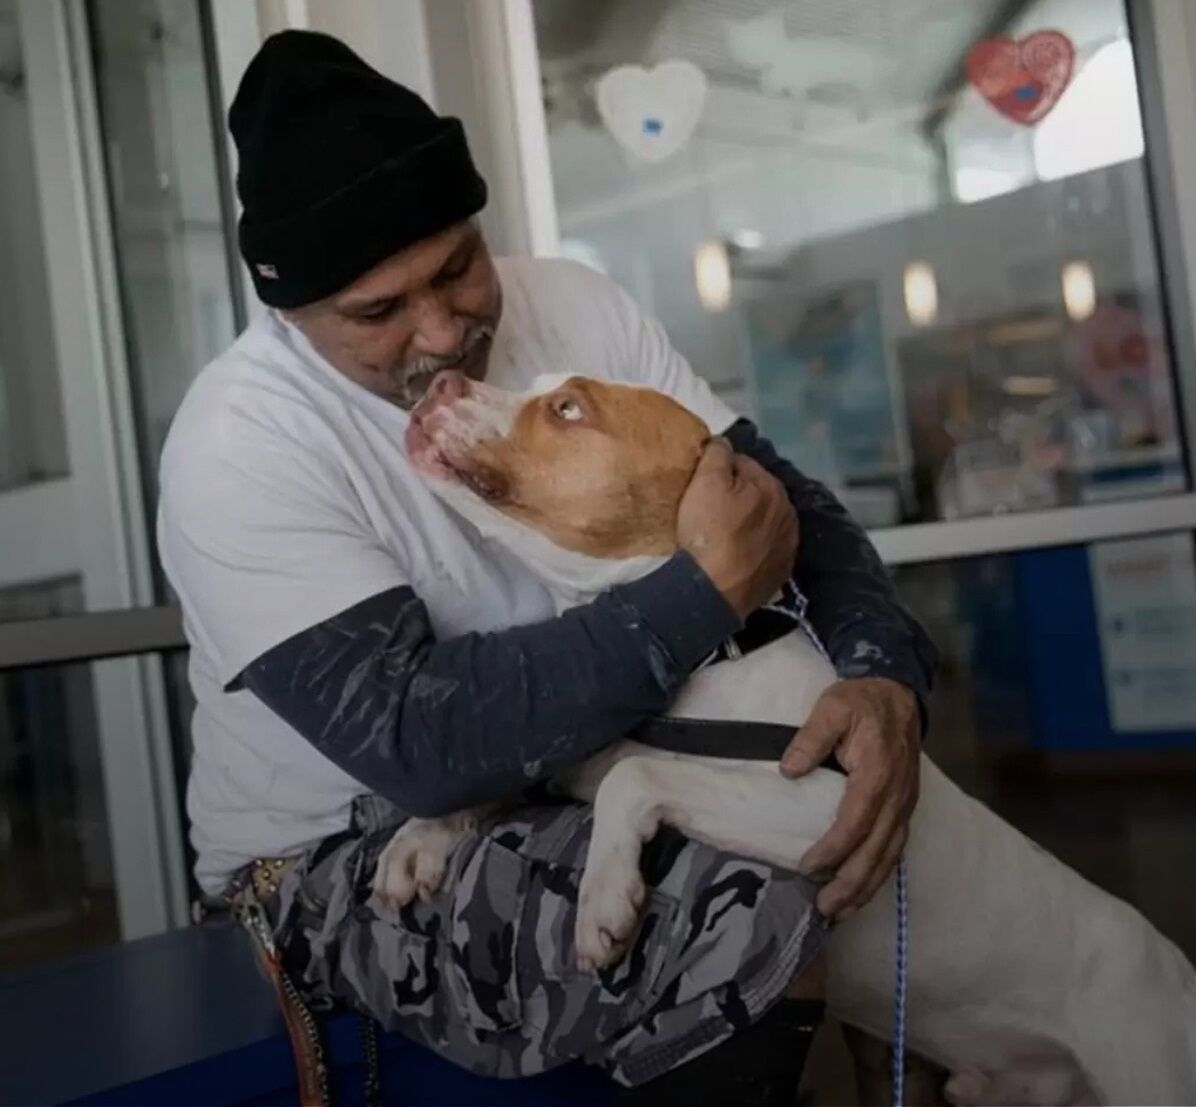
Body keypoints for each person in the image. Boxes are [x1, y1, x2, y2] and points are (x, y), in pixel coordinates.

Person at [158, 30, 936, 1106]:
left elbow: (782, 510)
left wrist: (884, 672)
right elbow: (419, 746)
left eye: (456, 268)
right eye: (378, 313)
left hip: (564, 767)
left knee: (831, 835)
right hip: (323, 853)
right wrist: (702, 590)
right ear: (288, 313)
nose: (443, 333)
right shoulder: (241, 442)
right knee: (731, 903)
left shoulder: (575, 305)